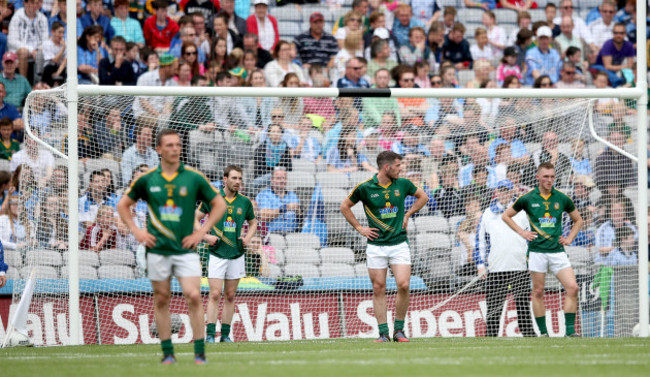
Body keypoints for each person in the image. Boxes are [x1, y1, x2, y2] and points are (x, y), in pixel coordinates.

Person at [117, 128, 227, 364]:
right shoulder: (147, 179)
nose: (175, 149)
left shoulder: (193, 177)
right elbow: (123, 205)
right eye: (169, 145)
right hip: (157, 249)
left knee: (194, 295)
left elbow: (219, 204)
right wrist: (137, 231)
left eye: (178, 145)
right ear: (158, 149)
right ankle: (168, 354)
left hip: (186, 248)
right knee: (162, 298)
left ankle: (199, 353)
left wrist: (202, 232)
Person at [340, 151, 429, 342]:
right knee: (379, 287)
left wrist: (407, 214)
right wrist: (360, 228)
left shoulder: (403, 184)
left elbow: (423, 197)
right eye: (398, 166)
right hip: (376, 246)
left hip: (399, 243)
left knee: (404, 285)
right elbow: (344, 206)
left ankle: (399, 330)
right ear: (386, 167)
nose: (401, 169)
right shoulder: (365, 187)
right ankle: (383, 333)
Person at [502, 162, 584, 337]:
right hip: (537, 251)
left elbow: (579, 220)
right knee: (538, 291)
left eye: (552, 176)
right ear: (537, 177)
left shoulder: (561, 198)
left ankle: (570, 331)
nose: (549, 180)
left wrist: (569, 238)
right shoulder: (528, 198)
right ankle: (544, 333)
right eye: (546, 176)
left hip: (557, 251)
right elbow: (506, 216)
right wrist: (522, 232)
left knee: (573, 287)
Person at [198, 165, 257, 343]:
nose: (237, 182)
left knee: (230, 296)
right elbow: (194, 219)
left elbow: (254, 223)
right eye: (234, 178)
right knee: (215, 293)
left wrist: (247, 238)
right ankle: (209, 335)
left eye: (240, 178)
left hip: (236, 254)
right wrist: (206, 237)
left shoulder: (245, 202)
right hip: (216, 252)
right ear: (225, 179)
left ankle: (225, 335)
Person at [475, 180, 536, 337]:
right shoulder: (487, 213)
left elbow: (532, 238)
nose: (504, 194)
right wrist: (480, 264)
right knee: (493, 308)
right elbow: (480, 241)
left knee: (523, 306)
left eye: (506, 191)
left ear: (511, 192)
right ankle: (491, 337)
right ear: (497, 192)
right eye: (501, 191)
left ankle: (529, 335)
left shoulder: (523, 212)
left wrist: (532, 261)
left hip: (520, 267)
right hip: (496, 267)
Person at [7, 0, 49, 78]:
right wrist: (31, 50)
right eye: (32, 3)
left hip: (38, 50)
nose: (35, 6)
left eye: (37, 3)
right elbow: (12, 40)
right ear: (25, 3)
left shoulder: (43, 18)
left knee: (44, 52)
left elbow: (45, 40)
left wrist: (38, 49)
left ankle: (40, 84)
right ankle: (24, 83)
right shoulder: (17, 17)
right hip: (19, 49)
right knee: (23, 52)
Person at [255, 167, 300, 233]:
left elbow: (299, 216)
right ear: (272, 180)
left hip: (292, 233)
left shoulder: (292, 195)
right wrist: (284, 208)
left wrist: (298, 210)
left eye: (284, 178)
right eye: (278, 178)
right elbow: (263, 216)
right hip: (271, 234)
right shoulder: (264, 195)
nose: (282, 181)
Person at [591, 22, 635, 88]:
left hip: (615, 71)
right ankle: (619, 82)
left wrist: (625, 67)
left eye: (621, 33)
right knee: (610, 74)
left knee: (630, 71)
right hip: (601, 68)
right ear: (612, 33)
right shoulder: (608, 44)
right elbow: (607, 66)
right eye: (616, 33)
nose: (618, 35)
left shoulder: (629, 45)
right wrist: (624, 66)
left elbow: (630, 65)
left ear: (625, 34)